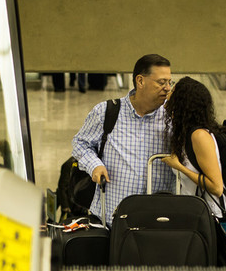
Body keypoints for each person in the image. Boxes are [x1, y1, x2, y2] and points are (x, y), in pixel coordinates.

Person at [71, 53, 172, 223]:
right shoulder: (106, 112)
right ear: (140, 81)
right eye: (161, 82)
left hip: (157, 222)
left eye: (170, 82)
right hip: (111, 220)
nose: (167, 88)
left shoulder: (173, 118)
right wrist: (95, 165)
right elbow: (80, 144)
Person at [160, 76, 226, 219]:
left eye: (173, 90)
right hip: (193, 213)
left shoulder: (199, 136)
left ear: (182, 101)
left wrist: (179, 167)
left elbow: (216, 187)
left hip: (210, 217)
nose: (169, 93)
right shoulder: (185, 132)